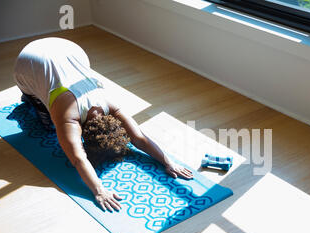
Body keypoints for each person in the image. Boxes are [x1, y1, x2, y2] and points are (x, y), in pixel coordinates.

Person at [13, 37, 193, 212]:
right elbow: (78, 158)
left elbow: (139, 138)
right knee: (49, 127)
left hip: (69, 48)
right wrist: (99, 191)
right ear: (84, 136)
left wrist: (168, 162)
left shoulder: (110, 106)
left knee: (53, 111)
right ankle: (29, 97)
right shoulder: (68, 116)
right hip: (27, 63)